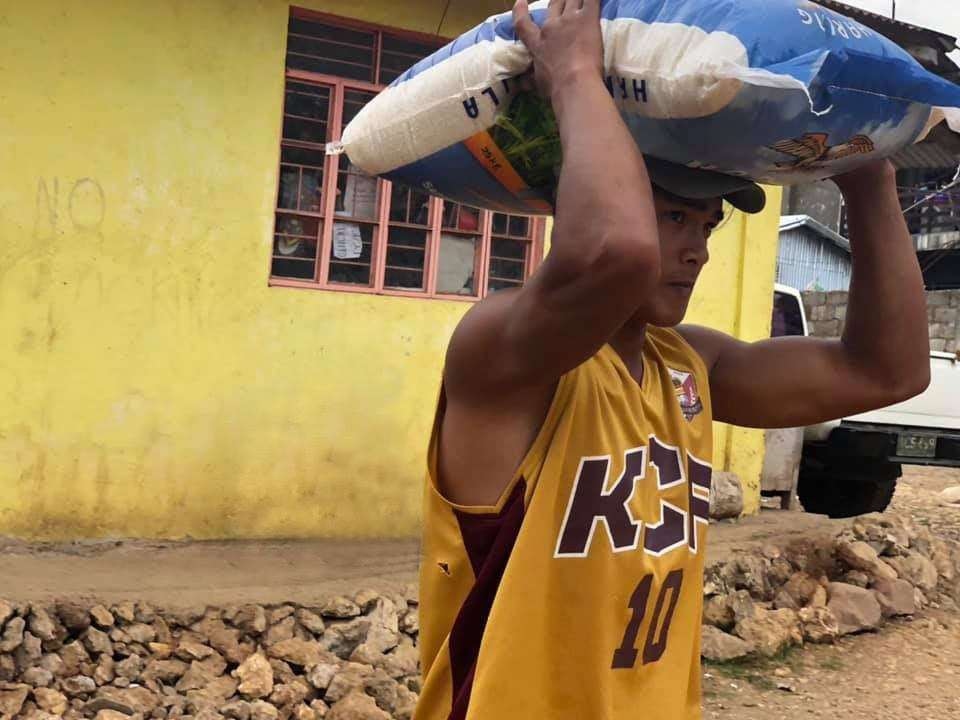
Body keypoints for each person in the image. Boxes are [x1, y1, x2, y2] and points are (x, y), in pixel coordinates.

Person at [413, 1, 931, 718]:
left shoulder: (688, 366)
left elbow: (890, 372)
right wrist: (573, 79)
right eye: (671, 215)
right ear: (583, 201)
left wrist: (867, 173)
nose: (698, 249)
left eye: (706, 224)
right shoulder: (505, 354)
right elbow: (613, 254)